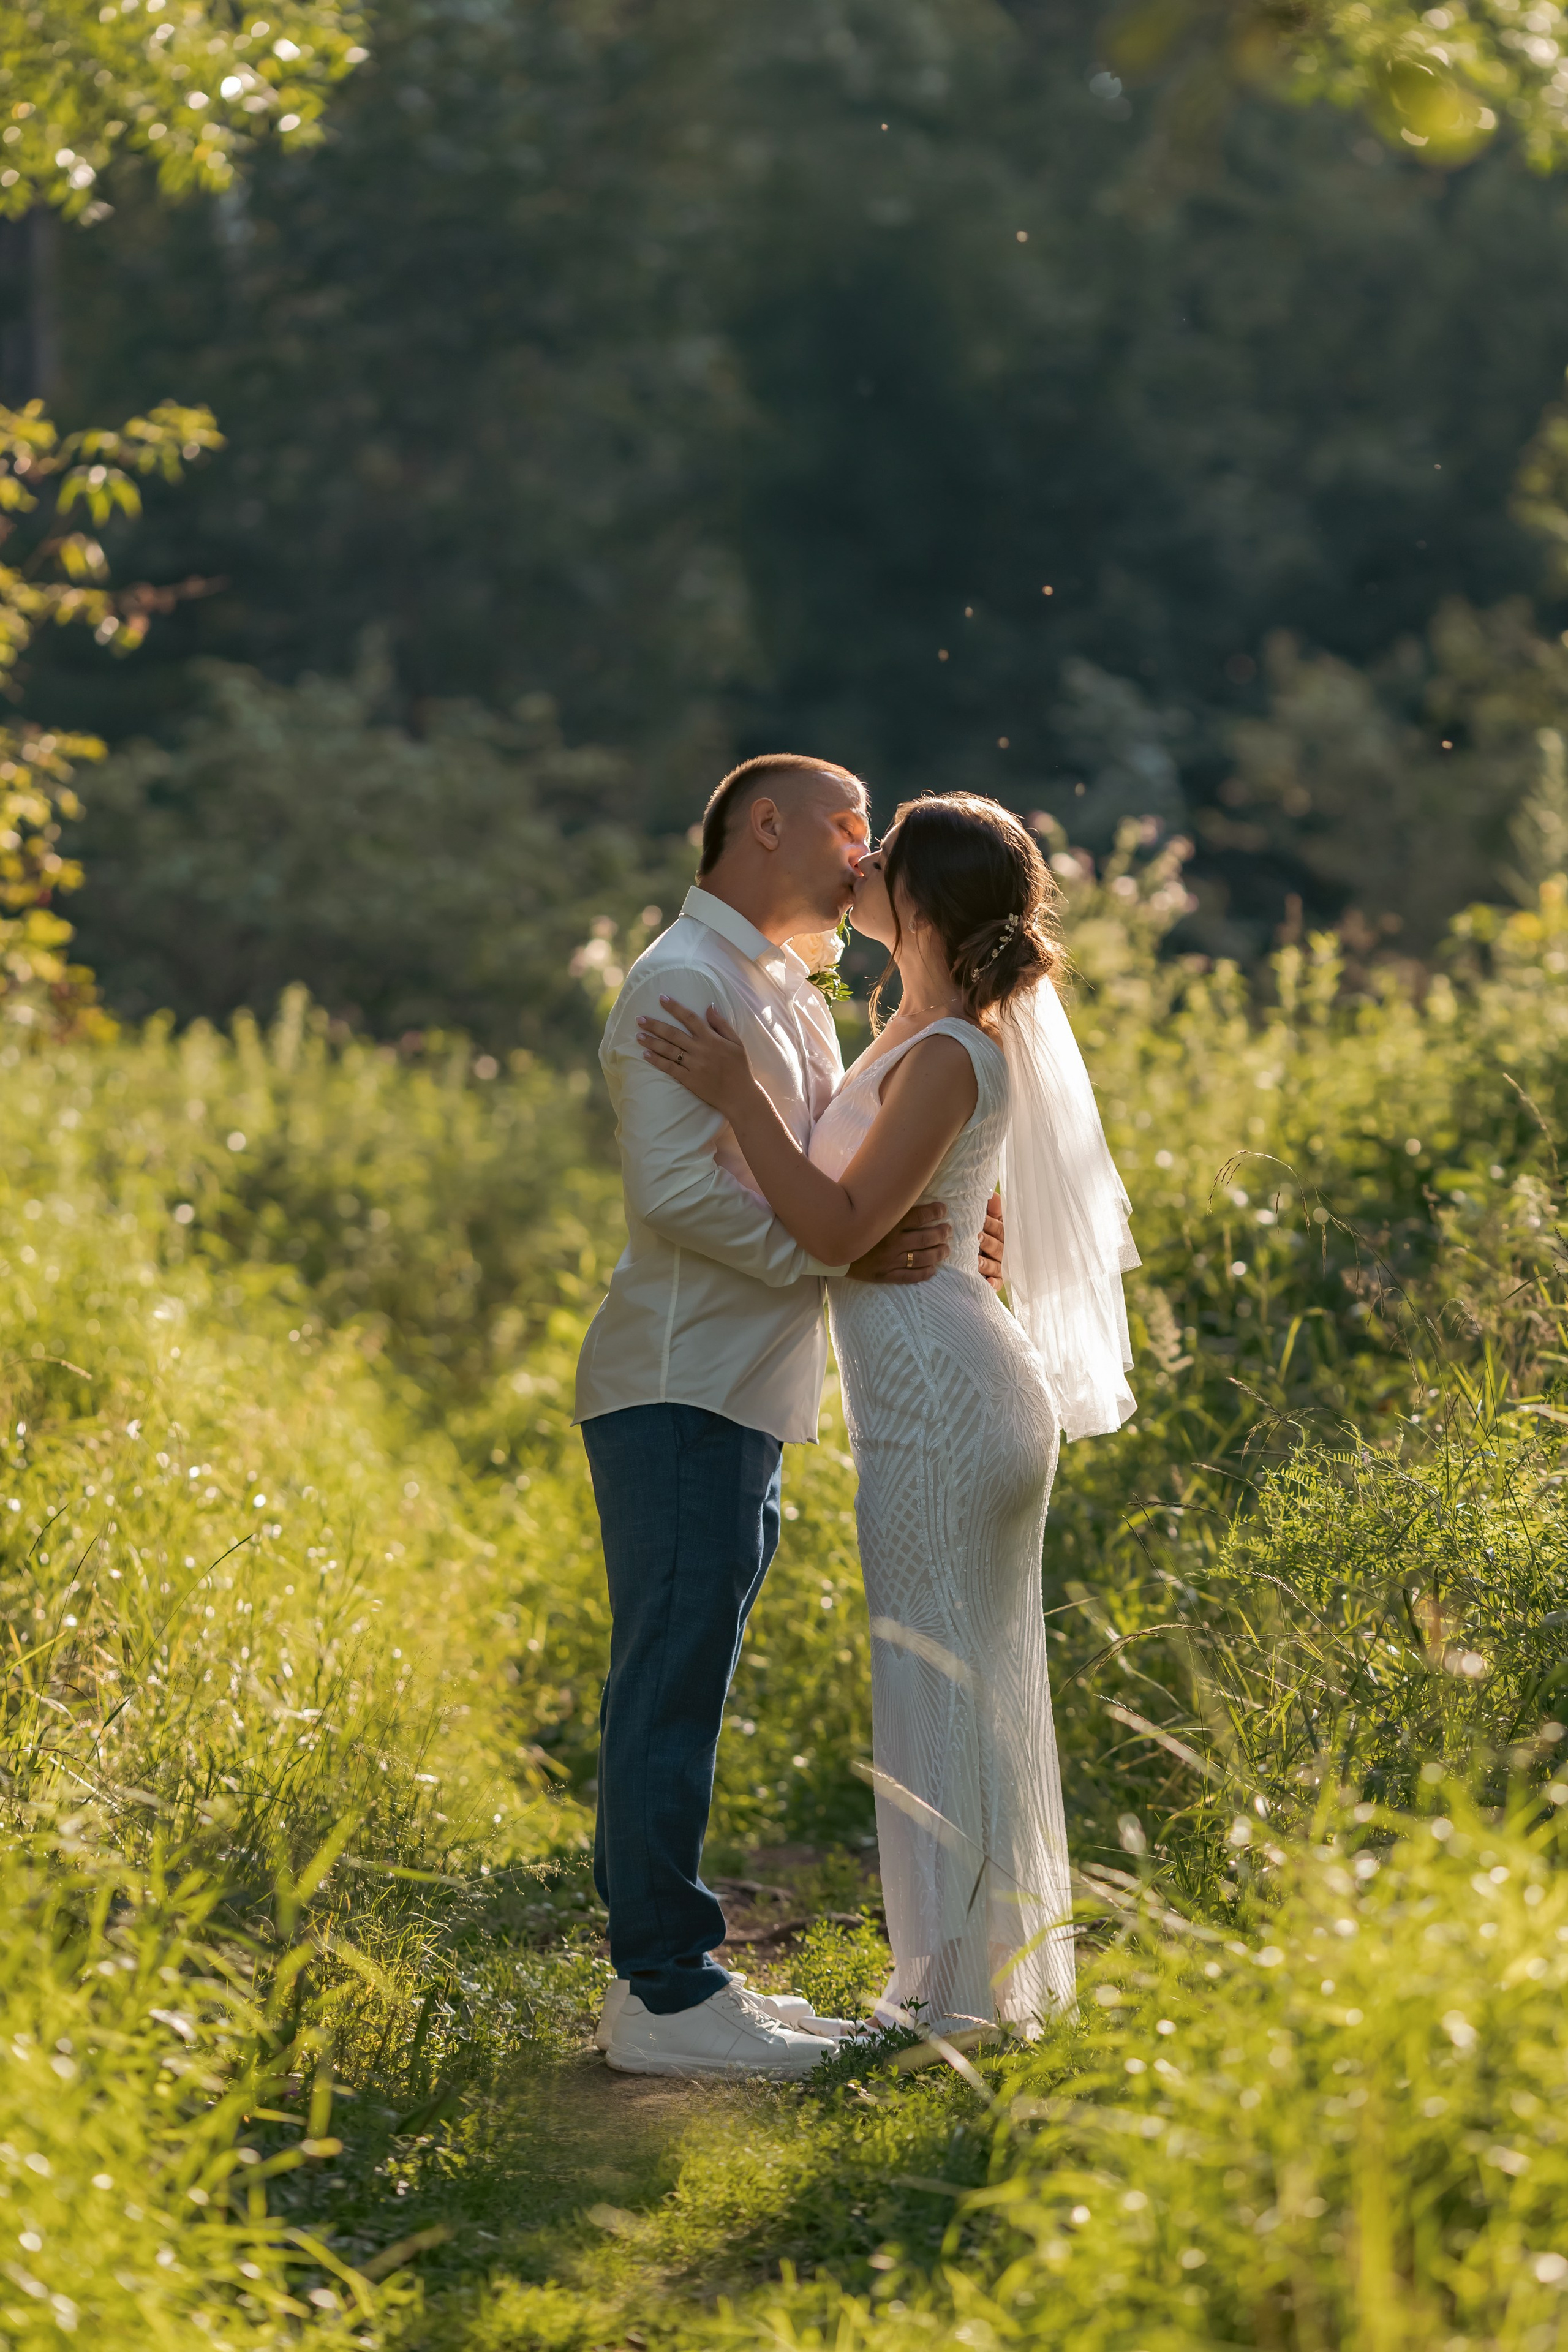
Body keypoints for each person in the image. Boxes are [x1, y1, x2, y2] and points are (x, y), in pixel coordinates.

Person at [639, 791, 1137, 2034]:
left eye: (879, 859)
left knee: (945, 1685)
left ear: (918, 901)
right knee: (937, 1682)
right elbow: (930, 1211)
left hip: (948, 1403)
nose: (853, 869)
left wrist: (733, 1089)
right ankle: (953, 1983)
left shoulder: (952, 1050)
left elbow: (835, 1227)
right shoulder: (912, 1033)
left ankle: (958, 2002)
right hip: (925, 1387)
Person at [575, 755, 1005, 2079]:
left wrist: (925, 1212)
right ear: (765, 827)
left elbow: (832, 1165)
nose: (863, 851)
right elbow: (676, 1198)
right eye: (845, 824)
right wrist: (832, 1253)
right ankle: (662, 1994)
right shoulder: (679, 983)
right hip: (675, 1378)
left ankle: (688, 1980)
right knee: (666, 1686)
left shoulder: (788, 991)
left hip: (742, 1385)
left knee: (688, 1678)